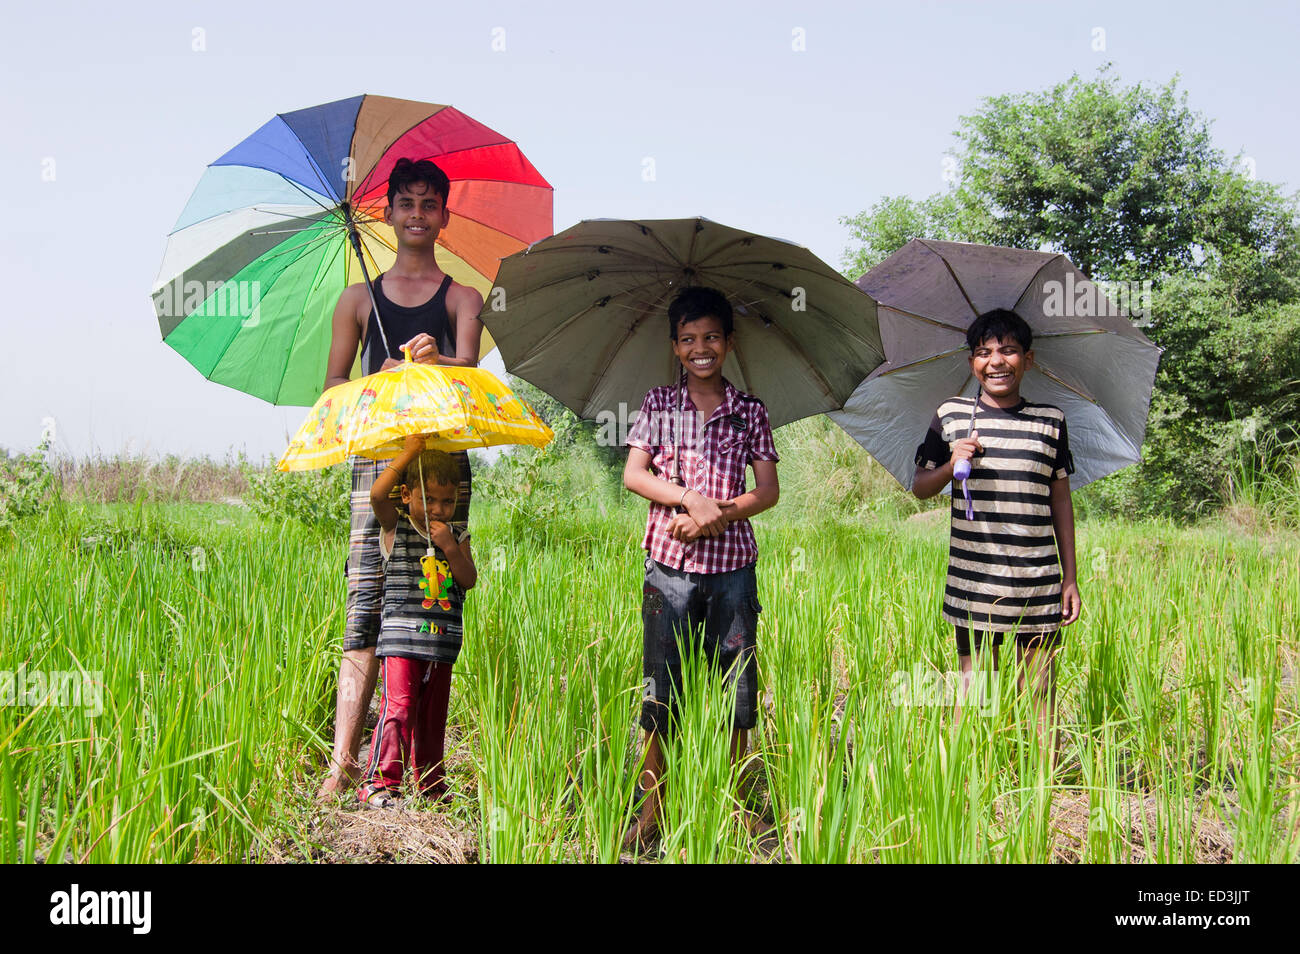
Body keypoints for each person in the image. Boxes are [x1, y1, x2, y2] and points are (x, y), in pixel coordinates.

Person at [318, 158, 484, 797]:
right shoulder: (358, 299)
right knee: (367, 602)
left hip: (442, 466)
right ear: (385, 214)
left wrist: (434, 360)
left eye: (429, 203)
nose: (416, 214)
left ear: (444, 215)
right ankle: (344, 765)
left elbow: (469, 373)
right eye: (405, 203)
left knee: (434, 597)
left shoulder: (463, 297)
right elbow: (333, 389)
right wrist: (375, 380)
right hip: (376, 462)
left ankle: (421, 763)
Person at [621, 285, 780, 850]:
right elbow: (634, 476)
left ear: (729, 343)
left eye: (711, 336)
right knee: (660, 687)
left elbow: (767, 491)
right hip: (668, 568)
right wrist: (689, 500)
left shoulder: (750, 411)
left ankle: (737, 800)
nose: (700, 347)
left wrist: (719, 514)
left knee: (738, 683)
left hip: (732, 570)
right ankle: (653, 806)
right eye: (688, 339)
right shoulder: (658, 405)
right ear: (675, 347)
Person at [911, 308, 1081, 742]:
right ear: (972, 363)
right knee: (976, 690)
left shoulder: (1051, 421)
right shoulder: (950, 415)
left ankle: (1040, 787)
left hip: (1037, 581)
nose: (996, 361)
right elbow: (921, 487)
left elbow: (1060, 500)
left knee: (1039, 691)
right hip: (974, 581)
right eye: (984, 353)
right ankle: (970, 784)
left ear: (1028, 358)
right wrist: (952, 464)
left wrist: (1071, 578)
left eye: (1008, 351)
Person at [356, 436, 477, 806]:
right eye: (429, 499)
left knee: (432, 717)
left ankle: (430, 785)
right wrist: (410, 451)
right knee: (400, 707)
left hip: (441, 644)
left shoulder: (457, 536)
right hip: (401, 640)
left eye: (447, 500)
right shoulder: (397, 526)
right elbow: (378, 496)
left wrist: (450, 548)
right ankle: (380, 782)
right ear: (407, 494)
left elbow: (468, 579)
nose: (439, 509)